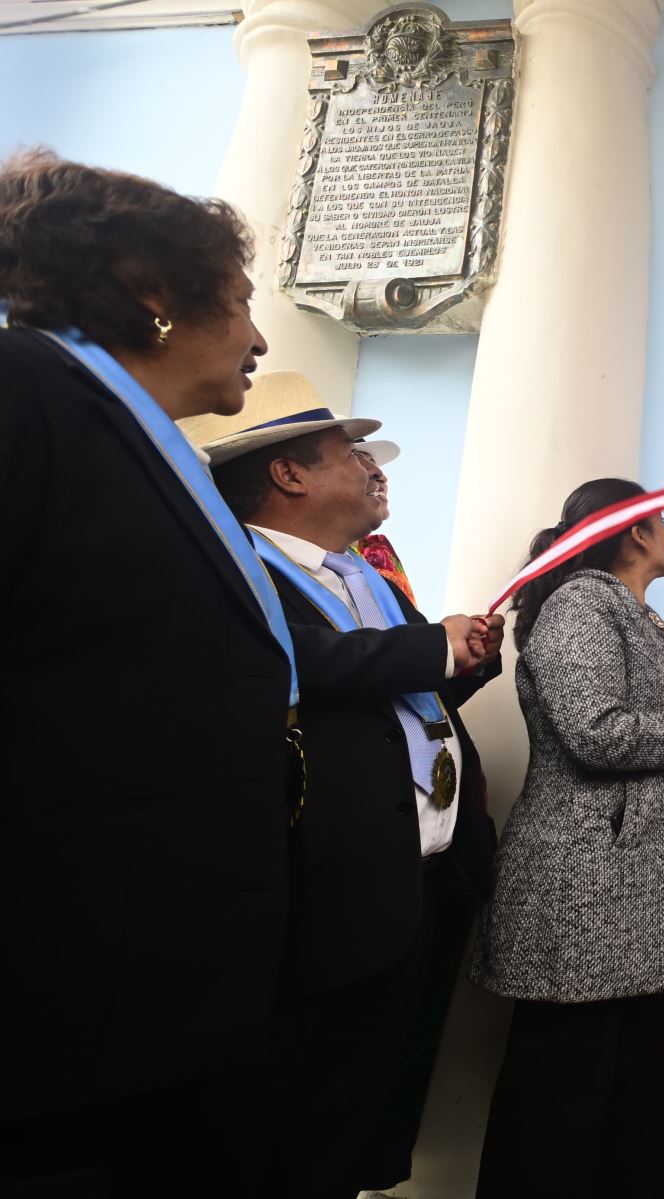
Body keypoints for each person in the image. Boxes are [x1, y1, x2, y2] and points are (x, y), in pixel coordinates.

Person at [0, 150, 406, 1193]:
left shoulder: (144, 443)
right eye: (236, 299)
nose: (261, 333)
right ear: (151, 294)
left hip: (147, 990)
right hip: (66, 987)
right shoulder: (27, 394)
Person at [198, 374, 501, 1197]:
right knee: (286, 1109)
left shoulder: (365, 576)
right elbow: (301, 666)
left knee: (359, 1106)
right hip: (320, 890)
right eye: (350, 453)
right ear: (289, 475)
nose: (372, 468)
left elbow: (397, 697)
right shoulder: (237, 571)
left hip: (413, 882)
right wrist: (430, 649)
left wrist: (461, 661)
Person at [471, 478, 664, 1197]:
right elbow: (598, 730)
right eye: (662, 520)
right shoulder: (582, 603)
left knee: (629, 1094)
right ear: (633, 532)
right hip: (586, 886)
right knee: (561, 1102)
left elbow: (645, 701)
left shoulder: (632, 612)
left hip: (629, 890)